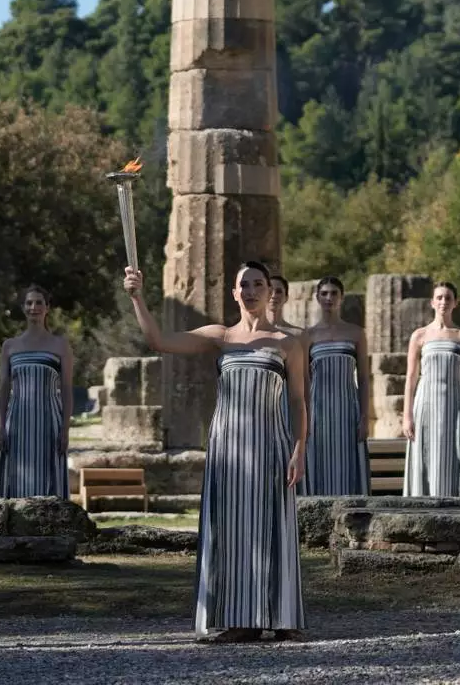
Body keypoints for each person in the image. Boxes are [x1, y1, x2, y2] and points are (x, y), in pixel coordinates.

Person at [125, 261, 307, 643]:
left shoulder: (288, 343)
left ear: (270, 291)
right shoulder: (221, 336)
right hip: (228, 447)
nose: (253, 290)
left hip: (271, 444)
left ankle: (280, 614)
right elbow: (159, 342)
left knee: (272, 527)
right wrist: (138, 297)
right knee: (232, 528)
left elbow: (298, 401)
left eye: (260, 284)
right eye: (246, 285)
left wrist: (299, 448)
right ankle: (239, 618)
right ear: (235, 293)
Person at [0, 284, 72, 498]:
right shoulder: (10, 346)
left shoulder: (60, 345)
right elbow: (3, 388)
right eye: (29, 303)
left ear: (47, 308)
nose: (34, 307)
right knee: (16, 476)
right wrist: (0, 426)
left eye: (39, 302)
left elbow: (66, 389)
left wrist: (65, 428)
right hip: (18, 421)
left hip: (49, 421)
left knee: (48, 476)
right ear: (23, 308)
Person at [402, 282, 460, 498]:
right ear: (432, 302)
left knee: (456, 456)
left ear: (455, 303)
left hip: (455, 405)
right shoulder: (420, 335)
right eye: (440, 297)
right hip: (425, 404)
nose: (443, 301)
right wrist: (407, 415)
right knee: (425, 455)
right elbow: (410, 378)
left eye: (448, 298)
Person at [301, 276, 370, 495]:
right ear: (317, 298)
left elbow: (365, 378)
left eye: (334, 294)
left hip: (347, 409)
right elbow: (304, 378)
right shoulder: (307, 336)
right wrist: (304, 418)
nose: (329, 298)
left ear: (341, 298)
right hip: (317, 410)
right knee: (319, 464)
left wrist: (365, 416)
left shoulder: (356, 333)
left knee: (347, 465)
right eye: (324, 294)